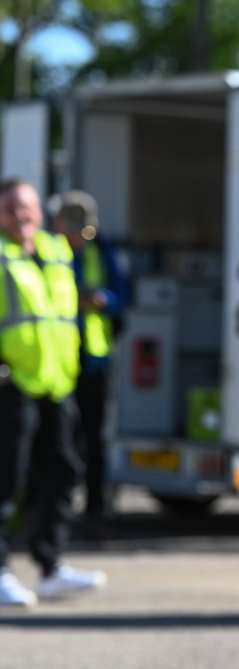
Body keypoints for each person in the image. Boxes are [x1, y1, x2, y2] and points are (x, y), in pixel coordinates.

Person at [0, 179, 108, 608]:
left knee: (64, 471)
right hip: (12, 384)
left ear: (40, 213)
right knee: (6, 481)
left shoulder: (56, 252)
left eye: (26, 207)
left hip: (56, 382)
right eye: (10, 208)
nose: (21, 216)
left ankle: (50, 568)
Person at [49, 191, 128, 541]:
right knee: (57, 443)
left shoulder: (100, 248)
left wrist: (101, 300)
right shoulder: (49, 251)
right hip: (57, 360)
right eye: (74, 229)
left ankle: (96, 514)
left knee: (96, 442)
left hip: (95, 360)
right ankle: (47, 515)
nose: (81, 237)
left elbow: (122, 296)